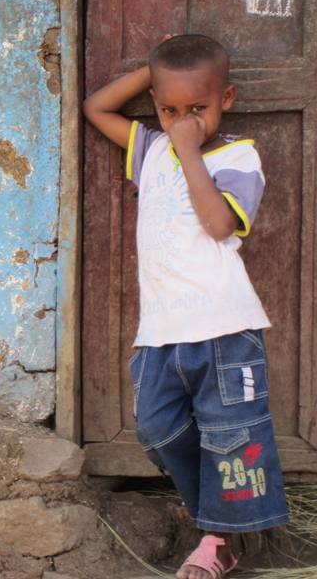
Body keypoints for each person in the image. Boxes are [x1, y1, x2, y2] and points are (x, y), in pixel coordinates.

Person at [83, 34, 288, 579]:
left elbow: (218, 223)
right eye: (169, 110)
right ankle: (217, 516)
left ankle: (219, 539)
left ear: (228, 98)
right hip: (160, 331)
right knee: (155, 430)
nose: (181, 121)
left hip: (225, 327)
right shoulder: (149, 150)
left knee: (231, 436)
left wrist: (189, 145)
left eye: (198, 108)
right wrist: (159, 75)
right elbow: (95, 108)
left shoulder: (238, 155)